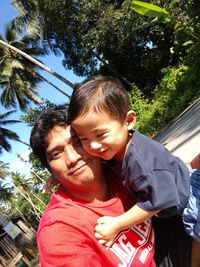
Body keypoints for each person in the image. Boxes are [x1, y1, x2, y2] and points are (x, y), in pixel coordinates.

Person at [68, 74, 200, 250]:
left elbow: (158, 201)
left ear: (128, 121)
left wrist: (117, 224)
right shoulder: (115, 149)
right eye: (83, 138)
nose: (93, 145)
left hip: (193, 201)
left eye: (100, 134)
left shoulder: (140, 160)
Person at [30, 105, 155, 267]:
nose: (72, 158)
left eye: (77, 141)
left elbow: (170, 175)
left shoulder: (120, 168)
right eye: (56, 154)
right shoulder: (59, 232)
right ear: (51, 172)